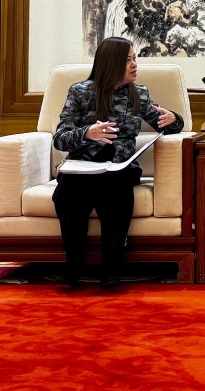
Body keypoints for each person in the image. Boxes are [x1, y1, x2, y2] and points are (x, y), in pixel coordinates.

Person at [52, 36, 184, 288]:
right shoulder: (79, 92)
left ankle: (109, 267)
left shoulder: (138, 94)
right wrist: (87, 133)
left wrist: (173, 118)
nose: (135, 65)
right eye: (128, 60)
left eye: (135, 59)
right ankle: (73, 262)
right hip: (82, 165)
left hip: (121, 166)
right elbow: (60, 139)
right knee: (70, 191)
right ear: (112, 63)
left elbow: (166, 125)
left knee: (114, 187)